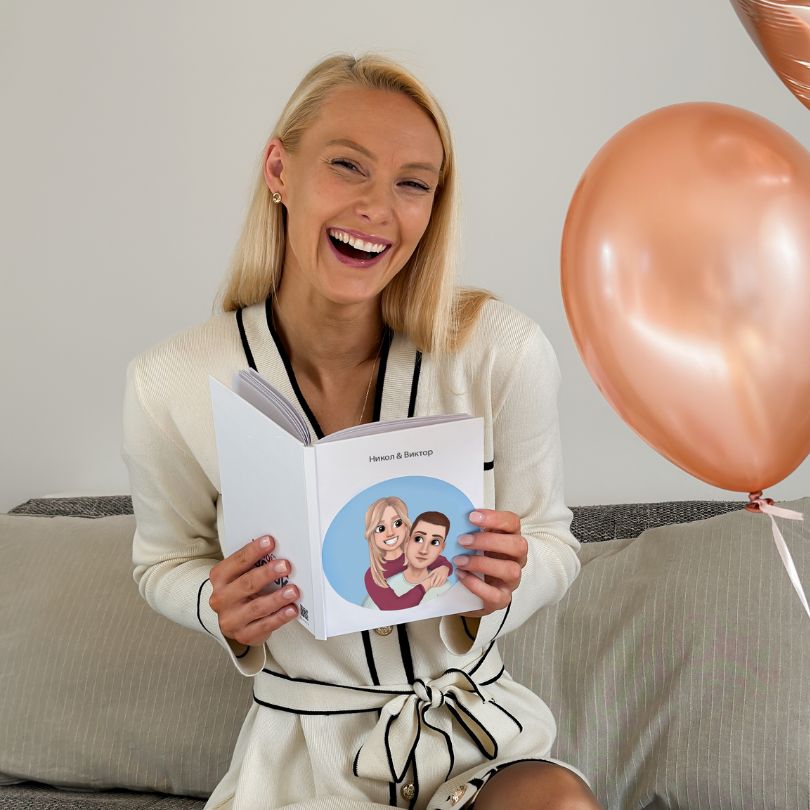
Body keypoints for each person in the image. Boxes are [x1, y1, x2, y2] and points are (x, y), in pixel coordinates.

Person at [122, 53, 602, 810]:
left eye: (413, 183)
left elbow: (553, 540)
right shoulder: (172, 382)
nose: (378, 207)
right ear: (279, 171)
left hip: (479, 745)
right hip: (302, 765)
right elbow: (163, 563)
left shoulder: (499, 351)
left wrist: (500, 587)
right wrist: (216, 605)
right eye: (348, 166)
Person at [362, 496, 452, 610]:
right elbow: (394, 608)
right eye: (380, 528)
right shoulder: (373, 574)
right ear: (372, 535)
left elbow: (441, 561)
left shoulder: (414, 555)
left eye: (397, 523)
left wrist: (445, 568)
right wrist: (427, 583)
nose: (390, 533)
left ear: (406, 526)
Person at [385, 512, 454, 604]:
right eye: (418, 539)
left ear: (442, 548)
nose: (424, 550)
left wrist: (445, 567)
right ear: (408, 540)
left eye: (434, 542)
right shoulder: (387, 584)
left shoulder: (447, 589)